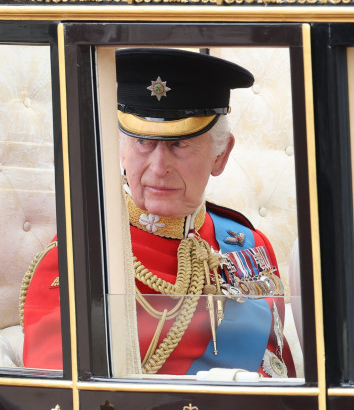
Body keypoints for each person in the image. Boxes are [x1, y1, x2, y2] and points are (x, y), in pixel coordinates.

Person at [21, 48, 294, 378]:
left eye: (179, 145)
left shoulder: (249, 244)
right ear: (119, 149)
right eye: (142, 142)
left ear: (221, 155)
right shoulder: (81, 258)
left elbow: (282, 376)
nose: (159, 167)